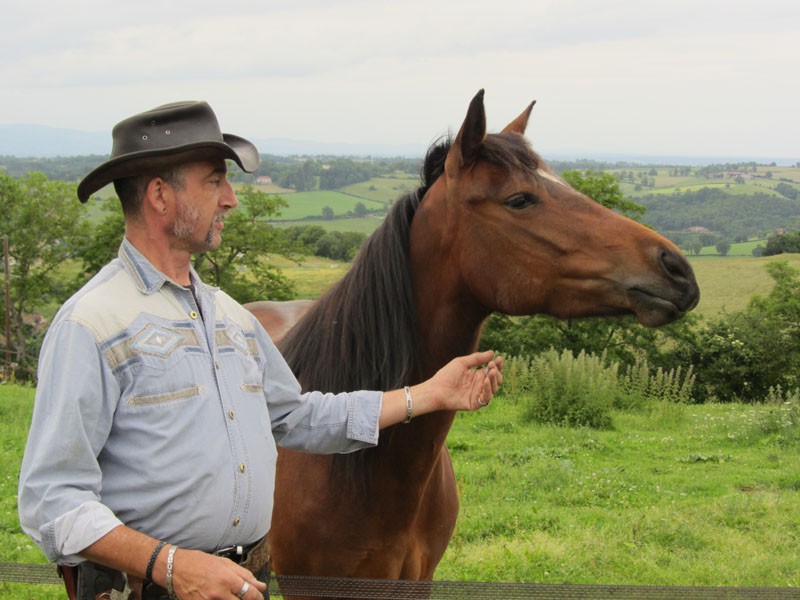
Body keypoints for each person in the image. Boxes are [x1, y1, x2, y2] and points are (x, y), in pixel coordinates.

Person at [17, 101, 503, 600]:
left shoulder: (231, 319)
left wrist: (428, 394)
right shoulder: (92, 325)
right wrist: (173, 566)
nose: (230, 199)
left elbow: (299, 417)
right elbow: (52, 501)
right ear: (160, 195)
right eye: (214, 181)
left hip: (244, 583)